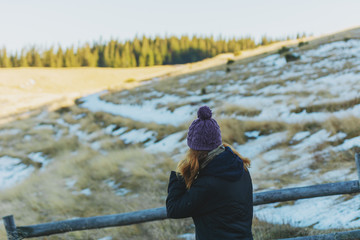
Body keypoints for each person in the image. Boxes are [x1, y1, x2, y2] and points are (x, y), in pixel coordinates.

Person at [166, 105, 253, 240]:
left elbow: (174, 209)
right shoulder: (241, 168)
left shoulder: (207, 183)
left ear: (195, 150)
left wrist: (181, 174)